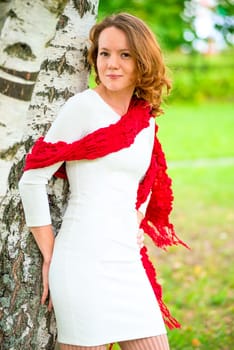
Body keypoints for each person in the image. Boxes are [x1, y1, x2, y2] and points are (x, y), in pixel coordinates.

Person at [19, 12, 187, 350]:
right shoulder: (82, 108)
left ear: (143, 60)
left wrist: (135, 219)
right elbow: (32, 179)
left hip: (126, 260)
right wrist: (51, 256)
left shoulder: (145, 120)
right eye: (104, 53)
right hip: (81, 263)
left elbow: (144, 183)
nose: (112, 63)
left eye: (124, 55)